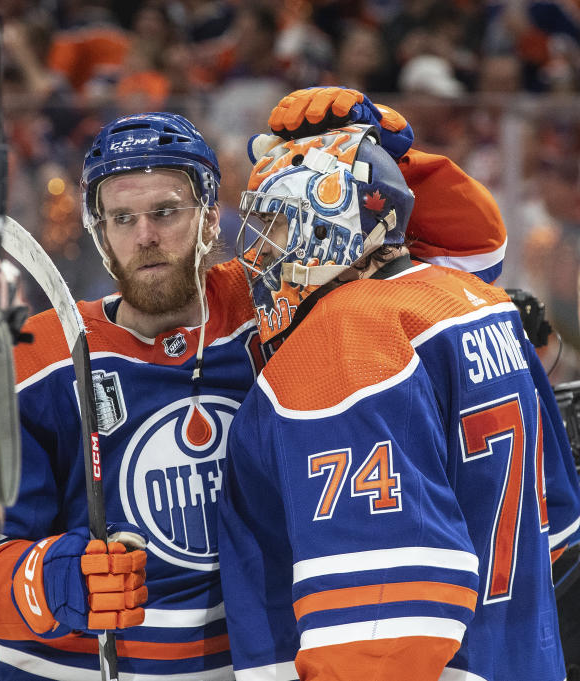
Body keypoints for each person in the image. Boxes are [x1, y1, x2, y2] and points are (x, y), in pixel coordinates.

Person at [0, 89, 523, 680]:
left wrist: (384, 159)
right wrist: (50, 581)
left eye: (166, 211)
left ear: (208, 216)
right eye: (122, 218)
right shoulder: (34, 357)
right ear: (100, 231)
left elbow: (466, 260)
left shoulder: (280, 299)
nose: (145, 235)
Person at [218, 124, 580, 680]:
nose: (261, 250)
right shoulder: (481, 303)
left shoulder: (342, 339)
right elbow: (557, 531)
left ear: (329, 223)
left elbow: (382, 628)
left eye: (278, 223)